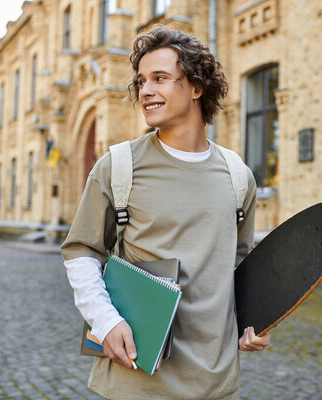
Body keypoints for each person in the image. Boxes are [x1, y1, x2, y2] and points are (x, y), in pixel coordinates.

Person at [61, 25, 270, 400]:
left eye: (160, 78)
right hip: (136, 380)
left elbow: (238, 266)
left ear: (196, 87)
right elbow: (80, 250)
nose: (145, 91)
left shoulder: (238, 176)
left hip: (216, 382)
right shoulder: (118, 166)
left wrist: (255, 322)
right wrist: (105, 323)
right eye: (141, 81)